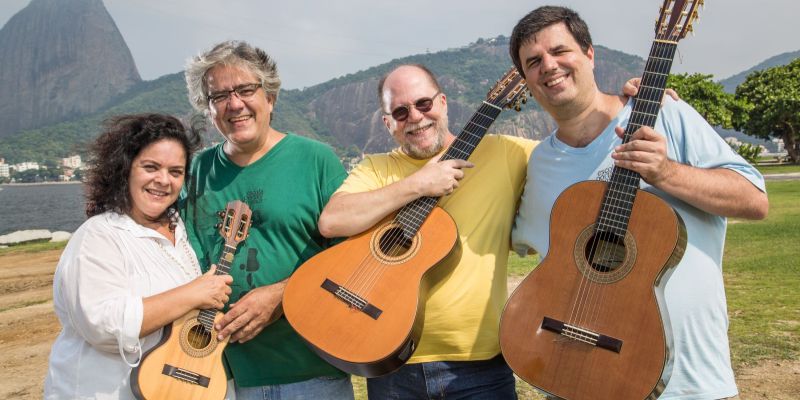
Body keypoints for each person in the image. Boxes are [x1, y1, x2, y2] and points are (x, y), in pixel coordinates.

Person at [509, 6, 769, 400]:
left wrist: (666, 172)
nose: (549, 66)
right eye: (533, 62)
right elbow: (523, 245)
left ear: (589, 54)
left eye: (560, 51)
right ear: (526, 80)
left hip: (690, 385)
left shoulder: (667, 115)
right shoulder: (540, 163)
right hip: (576, 378)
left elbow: (754, 199)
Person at [317, 63, 537, 398]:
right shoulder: (377, 168)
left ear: (444, 102)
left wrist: (622, 109)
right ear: (387, 121)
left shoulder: (503, 153)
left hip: (480, 365)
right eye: (401, 112)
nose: (416, 118)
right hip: (390, 362)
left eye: (424, 104)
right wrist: (417, 185)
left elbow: (572, 151)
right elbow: (332, 220)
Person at [181, 40, 352, 398]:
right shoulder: (196, 171)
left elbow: (350, 259)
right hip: (222, 376)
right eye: (219, 96)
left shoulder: (316, 161)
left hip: (312, 371)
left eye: (245, 89)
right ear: (208, 109)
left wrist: (281, 294)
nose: (234, 104)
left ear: (270, 97)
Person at [44, 114, 233, 399]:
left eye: (175, 171)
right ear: (125, 169)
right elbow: (103, 325)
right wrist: (194, 293)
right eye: (150, 167)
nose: (163, 180)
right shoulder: (99, 235)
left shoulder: (181, 231)